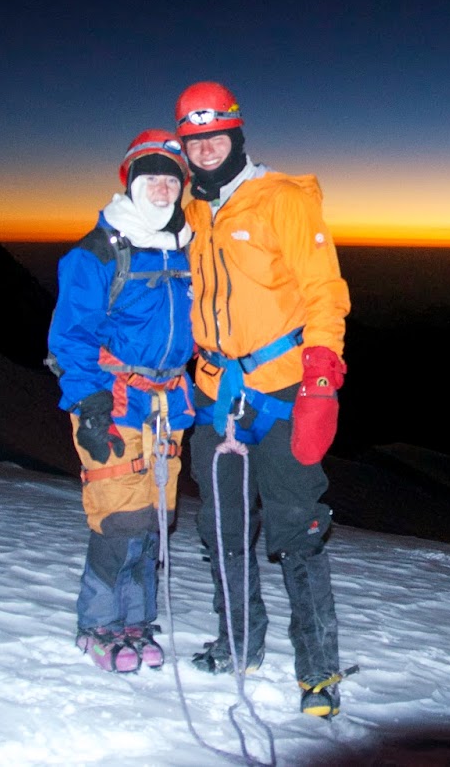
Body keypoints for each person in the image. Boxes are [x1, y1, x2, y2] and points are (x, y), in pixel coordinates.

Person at [175, 80, 352, 718]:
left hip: (279, 393)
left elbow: (324, 292)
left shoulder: (280, 199)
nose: (206, 148)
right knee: (221, 531)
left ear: (236, 134)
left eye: (215, 135)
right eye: (194, 141)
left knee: (295, 532)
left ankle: (318, 673)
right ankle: (239, 643)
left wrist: (321, 381)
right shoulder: (192, 211)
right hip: (215, 393)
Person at [46, 131, 197, 673]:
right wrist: (87, 406)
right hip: (114, 399)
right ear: (130, 183)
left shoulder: (185, 246)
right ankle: (98, 626)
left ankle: (136, 622)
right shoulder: (97, 253)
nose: (161, 187)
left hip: (170, 405)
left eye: (170, 178)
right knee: (118, 520)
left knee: (152, 519)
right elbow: (69, 338)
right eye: (149, 176)